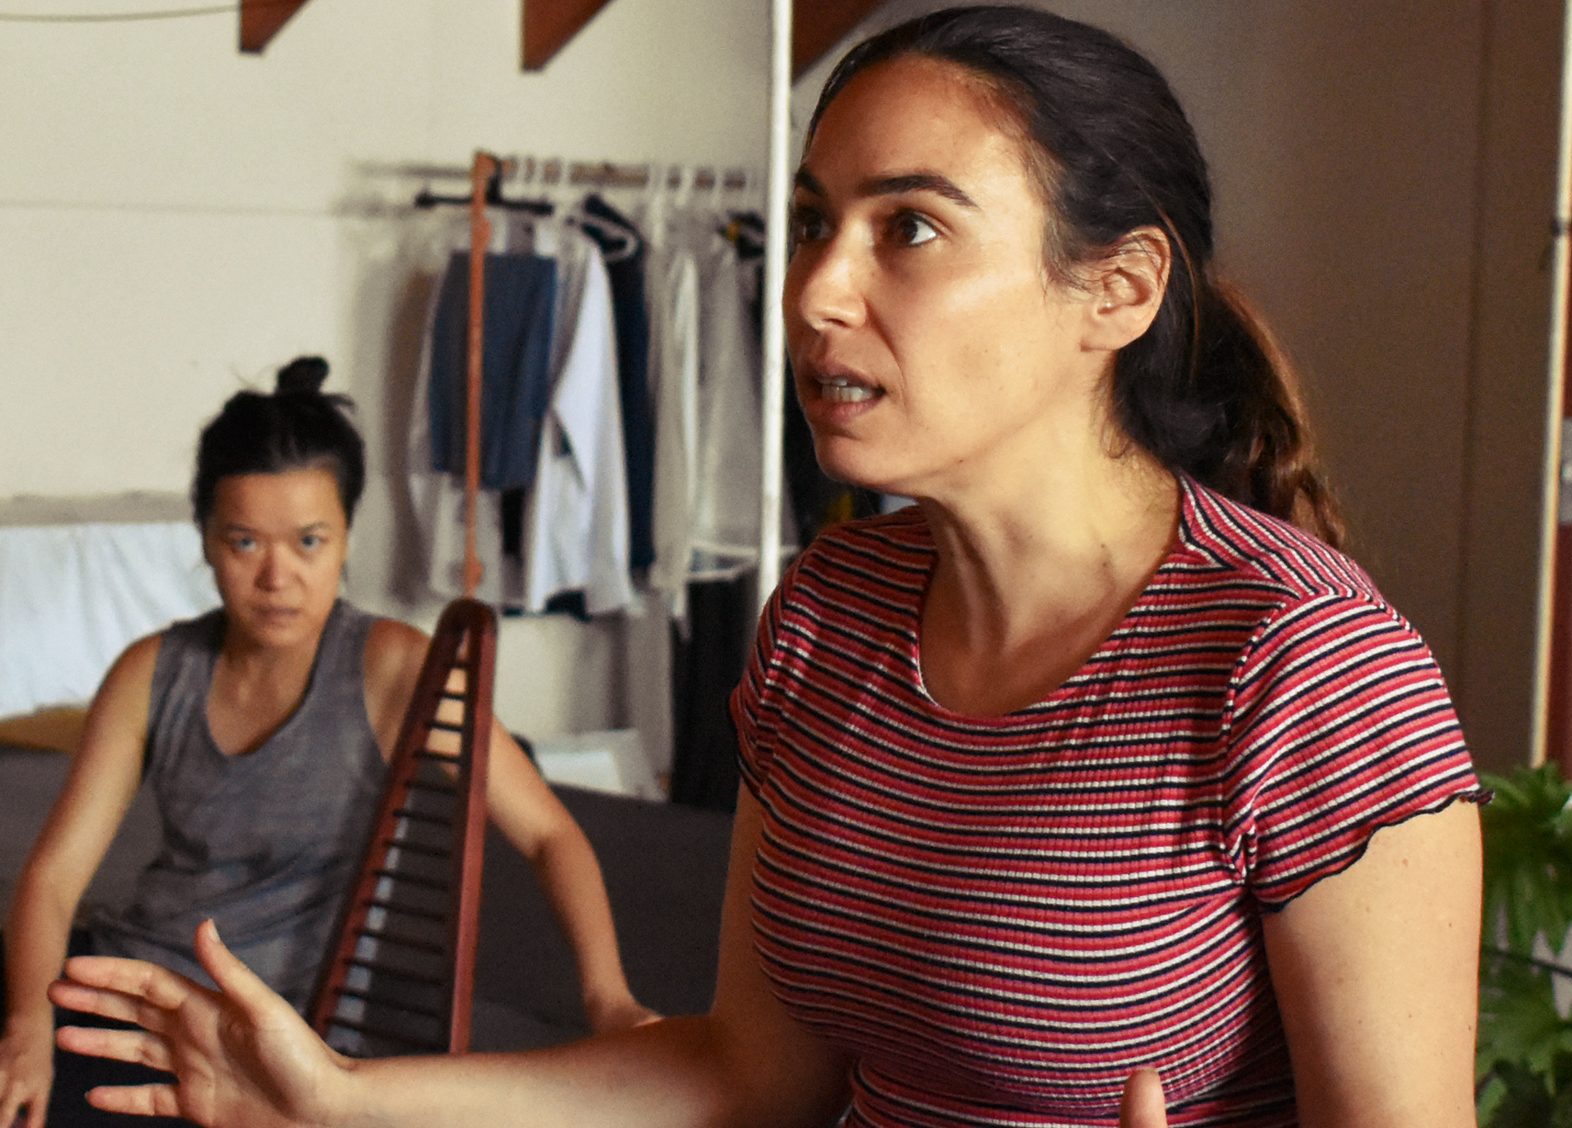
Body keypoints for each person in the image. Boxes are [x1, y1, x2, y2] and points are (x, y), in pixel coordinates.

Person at [48, 8, 1485, 1125]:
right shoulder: (830, 613)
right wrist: (342, 1100)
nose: (813, 292)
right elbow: (749, 1073)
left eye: (908, 228)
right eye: (812, 223)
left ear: (1115, 291)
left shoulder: (1302, 666)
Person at [0, 358, 653, 1128]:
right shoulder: (153, 672)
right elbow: (53, 877)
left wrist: (609, 1000)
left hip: (263, 1036)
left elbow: (549, 835)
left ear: (345, 539)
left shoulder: (395, 668)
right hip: (126, 983)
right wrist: (27, 1027)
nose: (278, 576)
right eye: (245, 542)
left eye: (309, 541)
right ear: (206, 540)